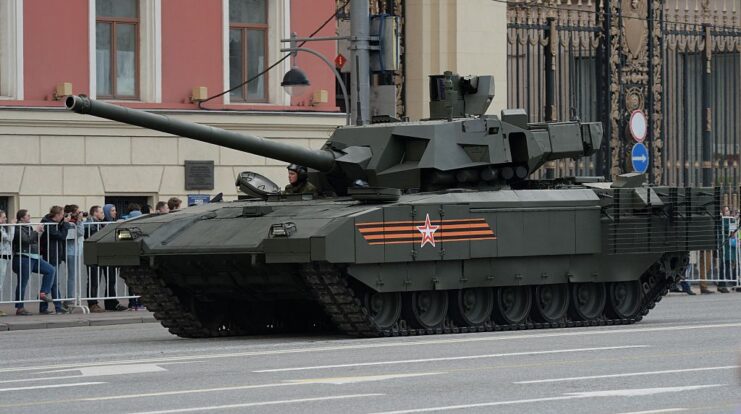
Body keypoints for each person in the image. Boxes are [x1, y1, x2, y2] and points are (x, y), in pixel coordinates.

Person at [12, 209, 56, 316]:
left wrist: (38, 232)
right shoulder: (18, 228)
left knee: (50, 270)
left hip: (34, 257)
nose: (30, 217)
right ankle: (20, 307)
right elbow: (26, 240)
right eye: (27, 215)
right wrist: (36, 231)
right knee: (23, 283)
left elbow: (33, 240)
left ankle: (43, 293)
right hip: (23, 257)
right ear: (22, 218)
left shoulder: (28, 227)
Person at [84, 205, 127, 312]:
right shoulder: (92, 223)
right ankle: (93, 303)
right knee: (94, 280)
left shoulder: (108, 223)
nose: (115, 212)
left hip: (108, 255)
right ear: (95, 213)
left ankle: (112, 302)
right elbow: (93, 236)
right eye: (112, 210)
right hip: (95, 255)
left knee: (111, 279)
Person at [39, 206, 71, 314]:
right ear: (56, 215)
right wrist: (66, 225)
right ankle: (57, 306)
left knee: (50, 281)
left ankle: (45, 307)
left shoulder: (55, 223)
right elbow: (61, 236)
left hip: (56, 254)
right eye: (62, 214)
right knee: (53, 281)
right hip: (51, 254)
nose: (63, 216)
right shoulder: (48, 224)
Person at [63, 205, 85, 310]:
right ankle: (69, 299)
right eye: (77, 212)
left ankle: (70, 298)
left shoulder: (73, 222)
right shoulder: (70, 223)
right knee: (72, 276)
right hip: (71, 252)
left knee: (73, 276)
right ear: (72, 213)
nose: (79, 213)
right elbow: (80, 233)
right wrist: (80, 221)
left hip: (76, 251)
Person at [0, 210, 15, 316]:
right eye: (3, 217)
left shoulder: (1, 228)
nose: (5, 219)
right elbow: (10, 238)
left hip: (4, 257)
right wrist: (12, 226)